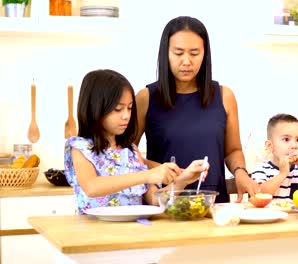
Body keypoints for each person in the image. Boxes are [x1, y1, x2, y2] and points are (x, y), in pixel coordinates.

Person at [134, 16, 258, 203]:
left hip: (213, 206)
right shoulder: (146, 98)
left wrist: (241, 173)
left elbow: (232, 150)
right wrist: (158, 169)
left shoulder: (225, 96)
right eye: (178, 53)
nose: (186, 61)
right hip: (164, 205)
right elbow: (125, 153)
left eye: (194, 53)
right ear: (165, 53)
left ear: (205, 54)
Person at [64, 69, 207, 214]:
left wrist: (182, 181)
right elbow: (92, 187)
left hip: (133, 231)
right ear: (95, 108)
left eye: (130, 108)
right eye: (118, 109)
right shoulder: (80, 147)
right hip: (93, 233)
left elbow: (154, 200)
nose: (126, 115)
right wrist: (147, 175)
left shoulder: (131, 151)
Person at [251, 114, 298, 200]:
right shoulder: (261, 169)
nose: (294, 145)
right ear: (270, 146)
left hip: (294, 214)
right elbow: (259, 195)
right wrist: (282, 174)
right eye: (286, 139)